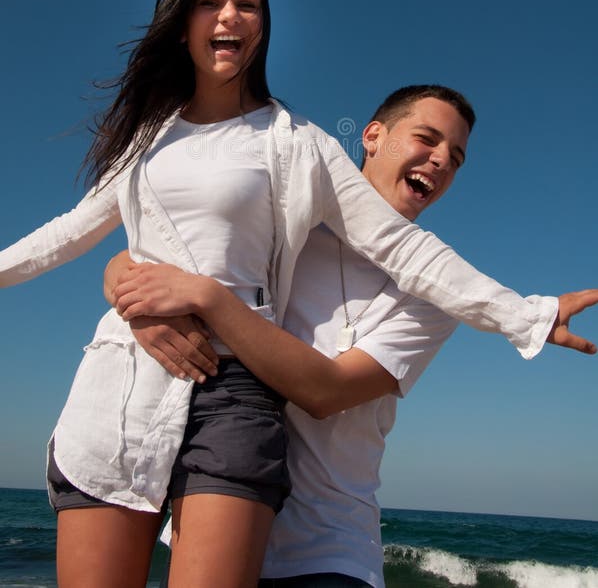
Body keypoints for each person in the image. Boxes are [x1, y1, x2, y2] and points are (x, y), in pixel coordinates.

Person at [0, 0, 595, 588]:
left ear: (265, 25)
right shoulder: (148, 139)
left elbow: (402, 252)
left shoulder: (302, 146)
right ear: (183, 23)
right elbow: (76, 233)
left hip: (246, 414)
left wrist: (525, 314)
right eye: (210, 1)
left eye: (248, 4)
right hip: (123, 377)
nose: (229, 16)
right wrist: (124, 287)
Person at [107, 85, 598, 588]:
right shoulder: (285, 221)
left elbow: (327, 393)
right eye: (426, 139)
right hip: (209, 514)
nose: (440, 161)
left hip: (327, 549)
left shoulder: (439, 295)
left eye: (456, 158)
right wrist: (126, 288)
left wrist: (209, 299)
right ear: (372, 137)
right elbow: (157, 252)